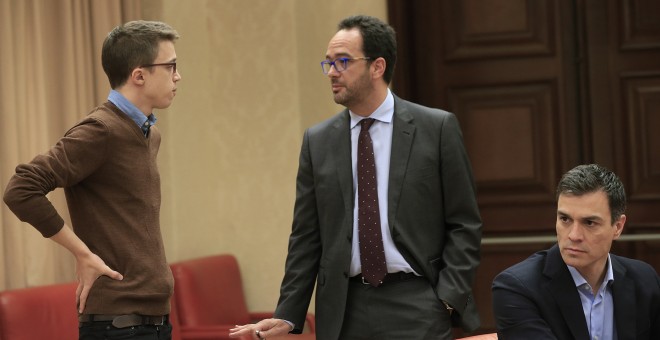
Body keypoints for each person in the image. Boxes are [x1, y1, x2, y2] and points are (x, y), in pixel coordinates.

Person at [230, 15, 482, 340]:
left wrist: (447, 299)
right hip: (344, 309)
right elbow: (306, 236)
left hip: (417, 302)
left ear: (377, 67)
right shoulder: (317, 141)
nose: (332, 72)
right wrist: (288, 314)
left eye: (343, 62)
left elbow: (465, 223)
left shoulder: (436, 129)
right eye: (329, 63)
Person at [3, 20, 181, 340]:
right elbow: (21, 188)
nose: (178, 76)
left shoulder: (148, 135)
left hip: (155, 319)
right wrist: (82, 253)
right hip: (118, 325)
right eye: (171, 66)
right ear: (139, 75)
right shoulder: (101, 130)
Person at [491, 164, 660, 339]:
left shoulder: (644, 280)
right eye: (565, 219)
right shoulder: (517, 288)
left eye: (589, 223)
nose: (574, 235)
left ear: (617, 227)